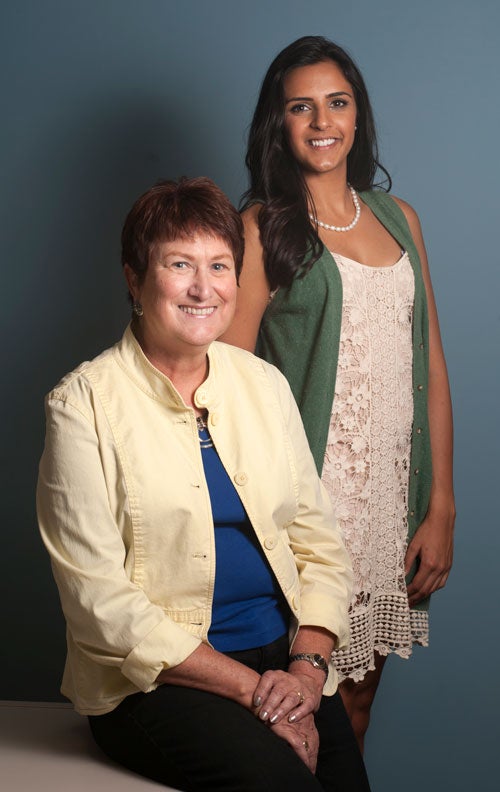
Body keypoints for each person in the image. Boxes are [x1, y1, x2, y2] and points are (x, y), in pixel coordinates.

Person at [37, 177, 371, 791]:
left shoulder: (263, 384)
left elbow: (319, 543)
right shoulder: (81, 405)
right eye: (179, 264)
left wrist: (303, 673)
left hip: (285, 661)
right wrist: (256, 693)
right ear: (135, 279)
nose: (203, 287)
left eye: (219, 266)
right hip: (156, 684)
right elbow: (99, 606)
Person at [221, 36, 455, 752]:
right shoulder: (264, 227)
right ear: (279, 124)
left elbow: (433, 368)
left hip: (389, 505)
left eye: (337, 102)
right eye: (301, 107)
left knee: (357, 707)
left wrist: (440, 503)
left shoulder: (399, 218)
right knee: (290, 714)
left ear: (358, 115)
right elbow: (225, 382)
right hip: (309, 507)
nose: (322, 121)